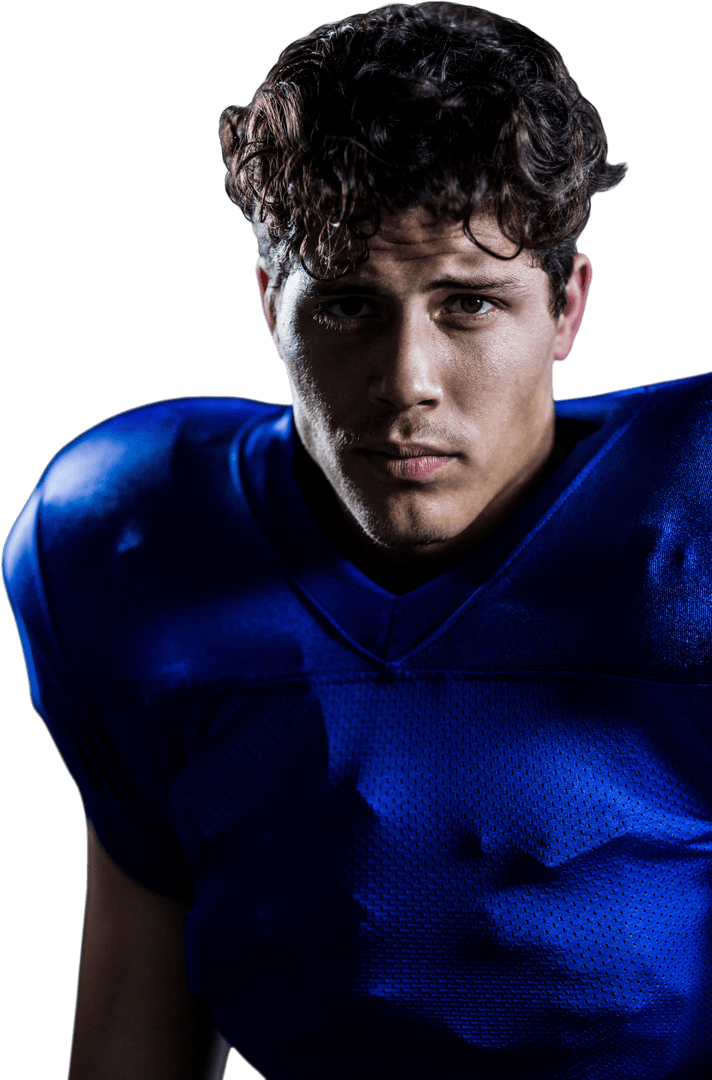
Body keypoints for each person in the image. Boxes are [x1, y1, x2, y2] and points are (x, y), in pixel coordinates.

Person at [3, 3, 712, 1078]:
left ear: (565, 307)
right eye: (344, 307)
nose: (405, 384)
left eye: (468, 304)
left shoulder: (690, 525)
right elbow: (131, 1017)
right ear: (265, 305)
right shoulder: (124, 542)